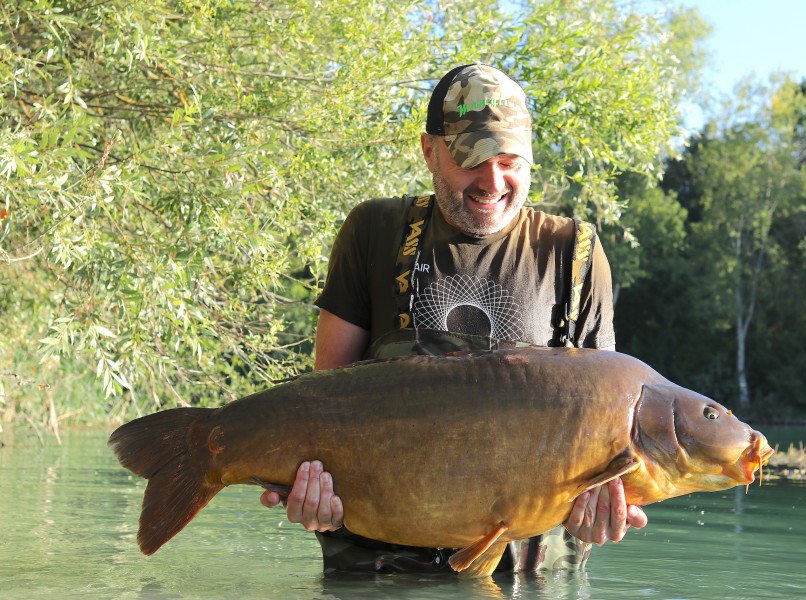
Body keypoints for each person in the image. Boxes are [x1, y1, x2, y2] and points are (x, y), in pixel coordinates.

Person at [261, 63, 648, 573]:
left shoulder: (574, 255)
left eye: (510, 159)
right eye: (472, 158)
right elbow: (323, 408)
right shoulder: (374, 231)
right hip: (379, 574)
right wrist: (313, 494)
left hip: (528, 579)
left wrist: (604, 509)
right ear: (429, 151)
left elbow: (605, 432)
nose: (493, 180)